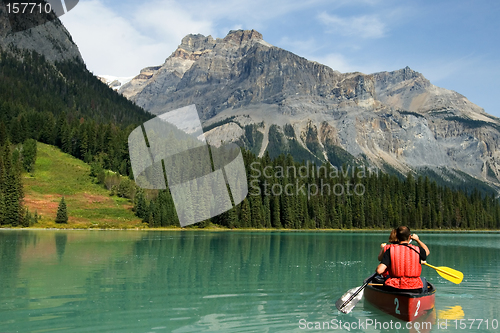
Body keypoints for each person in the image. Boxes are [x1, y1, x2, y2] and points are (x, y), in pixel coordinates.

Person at [376, 226, 430, 293]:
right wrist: (417, 240)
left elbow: (379, 270)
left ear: (397, 237)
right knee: (423, 281)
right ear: (409, 237)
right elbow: (427, 252)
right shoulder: (418, 250)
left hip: (395, 287)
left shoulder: (390, 250)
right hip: (415, 287)